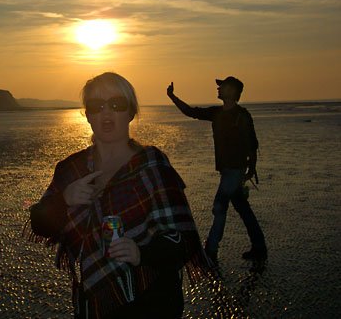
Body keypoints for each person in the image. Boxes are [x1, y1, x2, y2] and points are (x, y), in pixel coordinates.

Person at [26, 72, 210, 319]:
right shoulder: (71, 169)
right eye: (97, 105)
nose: (106, 112)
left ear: (131, 112)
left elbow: (183, 241)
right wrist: (64, 199)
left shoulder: (152, 165)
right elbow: (39, 225)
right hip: (94, 305)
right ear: (87, 115)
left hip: (153, 302)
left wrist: (141, 252)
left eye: (117, 104)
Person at [167, 77, 267, 264]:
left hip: (235, 171)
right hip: (227, 170)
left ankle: (210, 250)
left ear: (233, 91)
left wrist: (251, 169)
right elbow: (191, 112)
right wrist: (172, 97)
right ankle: (259, 247)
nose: (218, 88)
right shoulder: (217, 113)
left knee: (219, 207)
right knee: (243, 209)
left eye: (223, 86)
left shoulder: (242, 115)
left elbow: (252, 144)